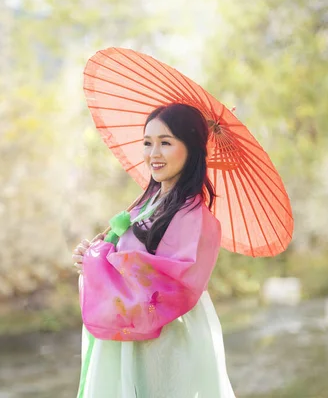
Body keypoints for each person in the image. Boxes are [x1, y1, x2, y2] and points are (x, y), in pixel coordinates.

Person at [72, 103, 236, 398]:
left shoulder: (194, 216)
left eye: (165, 143)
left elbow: (172, 283)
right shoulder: (146, 204)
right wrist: (92, 257)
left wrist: (101, 266)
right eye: (147, 143)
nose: (153, 154)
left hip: (163, 344)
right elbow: (126, 260)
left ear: (191, 148)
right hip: (131, 337)